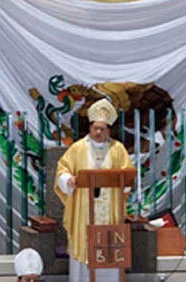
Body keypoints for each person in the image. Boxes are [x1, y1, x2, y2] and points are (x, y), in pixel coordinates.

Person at [54, 98, 134, 282]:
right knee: (84, 247)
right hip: (84, 212)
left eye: (102, 129)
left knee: (109, 248)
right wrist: (69, 180)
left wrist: (126, 183)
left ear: (109, 130)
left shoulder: (118, 149)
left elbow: (128, 175)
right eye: (95, 128)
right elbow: (62, 170)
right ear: (90, 128)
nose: (98, 132)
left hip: (109, 213)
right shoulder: (78, 149)